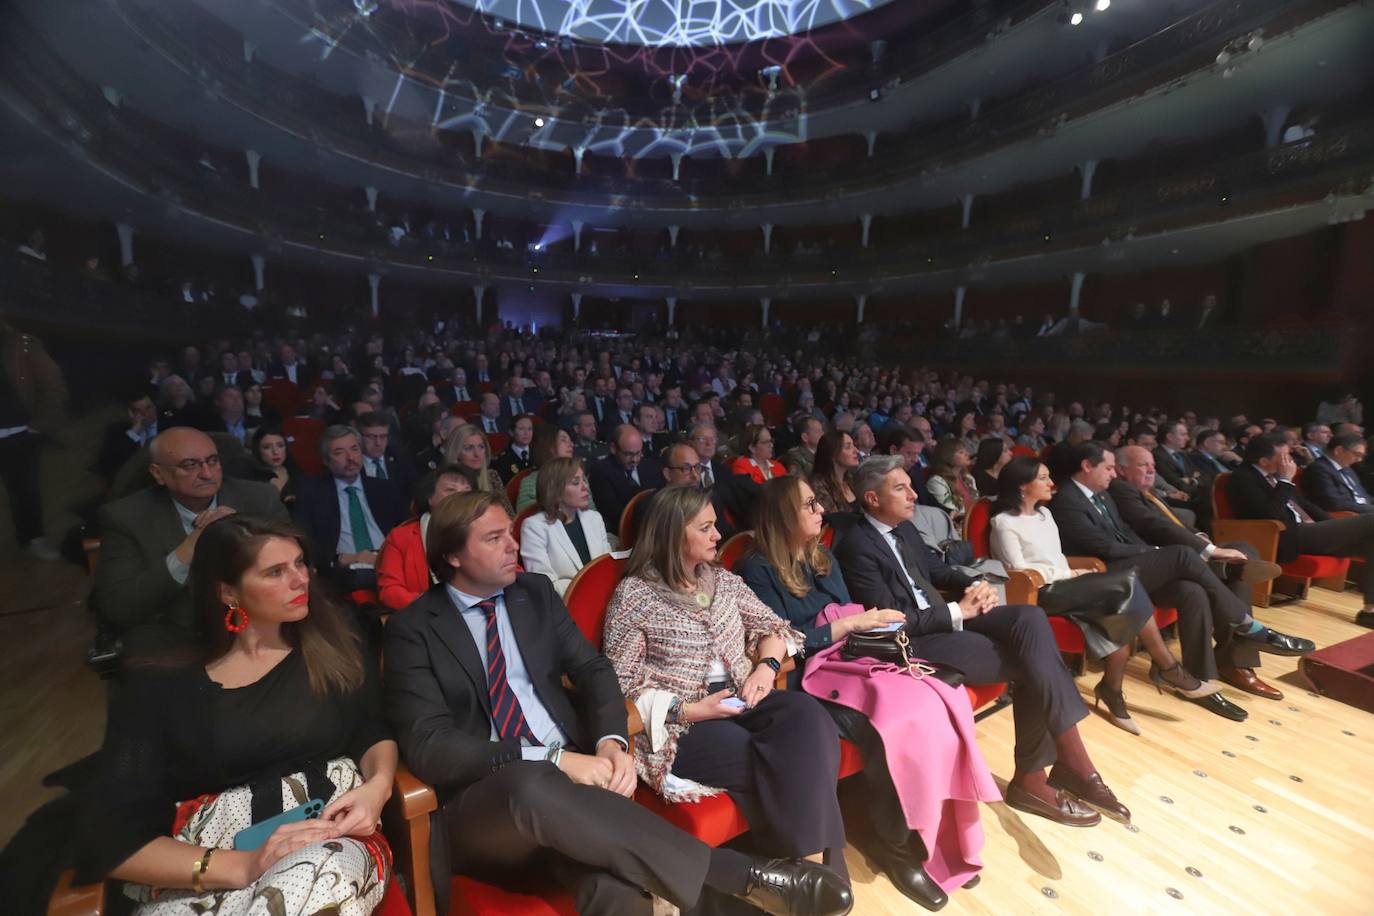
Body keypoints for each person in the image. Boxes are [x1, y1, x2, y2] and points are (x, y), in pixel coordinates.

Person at [383, 492, 852, 916]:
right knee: (529, 782)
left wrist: (609, 742)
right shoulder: (413, 629)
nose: (513, 544)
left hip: (578, 791)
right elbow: (431, 747)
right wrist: (555, 758)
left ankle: (731, 901)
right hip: (489, 806)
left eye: (510, 532)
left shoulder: (534, 594)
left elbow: (593, 671)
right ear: (452, 555)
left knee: (618, 891)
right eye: (494, 538)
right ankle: (736, 877)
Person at [76, 513, 397, 914]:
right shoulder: (159, 684)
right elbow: (111, 837)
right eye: (275, 572)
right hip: (213, 857)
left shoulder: (334, 641)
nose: (300, 580)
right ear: (229, 593)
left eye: (300, 563)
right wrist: (243, 865)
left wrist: (379, 786)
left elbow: (370, 728)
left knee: (304, 885)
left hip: (325, 838)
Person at [738, 477, 998, 909]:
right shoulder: (756, 569)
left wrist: (863, 624)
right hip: (811, 673)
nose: (821, 509)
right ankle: (893, 847)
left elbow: (850, 615)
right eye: (808, 504)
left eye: (817, 501)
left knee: (939, 697)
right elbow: (781, 640)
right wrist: (846, 624)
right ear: (782, 516)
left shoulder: (821, 557)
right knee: (892, 724)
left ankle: (937, 831)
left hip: (859, 656)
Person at [835, 456, 1125, 826]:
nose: (913, 494)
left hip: (944, 621)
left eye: (911, 484)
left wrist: (971, 584)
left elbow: (935, 569)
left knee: (1030, 618)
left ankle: (1061, 769)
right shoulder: (857, 545)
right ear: (873, 499)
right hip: (912, 644)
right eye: (900, 488)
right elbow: (893, 620)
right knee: (1031, 660)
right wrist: (959, 610)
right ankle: (1049, 775)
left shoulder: (904, 530)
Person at [603, 486, 853, 888]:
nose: (719, 535)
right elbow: (620, 684)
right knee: (774, 759)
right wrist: (689, 711)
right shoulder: (634, 596)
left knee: (810, 718)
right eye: (705, 528)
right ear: (672, 535)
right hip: (686, 723)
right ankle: (823, 870)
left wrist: (766, 668)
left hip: (745, 696)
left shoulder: (721, 579)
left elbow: (774, 628)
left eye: (715, 525)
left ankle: (805, 877)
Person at [1049, 441, 1308, 720]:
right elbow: (1103, 547)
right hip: (1103, 576)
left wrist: (1158, 556)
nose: (1113, 475)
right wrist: (1158, 554)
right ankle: (1247, 624)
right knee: (1184, 556)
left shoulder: (1099, 495)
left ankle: (1199, 678)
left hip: (1130, 565)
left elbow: (1124, 532)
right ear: (1087, 466)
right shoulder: (1067, 501)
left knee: (1191, 590)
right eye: (1109, 468)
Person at [990, 458, 1211, 735]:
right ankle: (1166, 666)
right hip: (1039, 593)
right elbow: (1018, 571)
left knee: (1119, 614)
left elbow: (1056, 557)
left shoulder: (1045, 515)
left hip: (1067, 584)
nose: (1051, 483)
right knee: (1128, 583)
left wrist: (1072, 571)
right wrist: (1071, 574)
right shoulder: (1004, 522)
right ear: (1023, 485)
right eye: (1043, 478)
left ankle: (1112, 690)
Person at [1110, 447, 1300, 699]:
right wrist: (1208, 549)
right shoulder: (1120, 490)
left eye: (1153, 464)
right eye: (1143, 464)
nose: (1152, 470)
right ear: (1121, 470)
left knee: (1243, 552)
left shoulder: (1148, 493)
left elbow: (1174, 523)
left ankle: (1234, 653)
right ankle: (1234, 662)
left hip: (1180, 556)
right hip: (1159, 563)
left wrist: (1199, 538)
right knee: (1221, 576)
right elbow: (1152, 526)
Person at [94, 428, 287, 654]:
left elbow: (298, 566)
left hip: (262, 624)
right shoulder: (125, 518)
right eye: (190, 465)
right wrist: (188, 549)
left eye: (213, 461)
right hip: (179, 639)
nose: (207, 473)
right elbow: (119, 606)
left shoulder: (260, 497)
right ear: (158, 473)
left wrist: (244, 534)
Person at [1228, 433, 1374, 629]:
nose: (1290, 462)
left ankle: (1369, 611)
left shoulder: (1273, 477)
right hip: (1288, 535)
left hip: (1311, 530)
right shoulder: (1242, 478)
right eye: (1284, 457)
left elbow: (1307, 505)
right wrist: (1286, 481)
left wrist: (1335, 526)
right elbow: (1269, 514)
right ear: (1264, 461)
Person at [292, 425, 408, 591]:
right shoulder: (311, 494)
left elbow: (407, 529)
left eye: (355, 449)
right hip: (345, 568)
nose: (350, 457)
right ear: (326, 460)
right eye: (339, 453)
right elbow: (304, 539)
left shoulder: (386, 489)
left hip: (388, 560)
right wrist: (344, 558)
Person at [376, 466, 471, 611]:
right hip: (428, 618)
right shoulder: (401, 537)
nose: (460, 497)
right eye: (451, 490)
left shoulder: (487, 529)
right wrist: (434, 608)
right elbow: (390, 591)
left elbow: (511, 572)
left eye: (466, 491)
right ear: (430, 498)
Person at [519, 457, 610, 595]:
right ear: (555, 490)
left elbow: (607, 567)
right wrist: (588, 588)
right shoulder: (534, 527)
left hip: (604, 596)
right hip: (567, 606)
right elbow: (545, 585)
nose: (585, 487)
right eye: (575, 482)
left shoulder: (594, 518)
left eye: (583, 480)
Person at [587, 425, 665, 533]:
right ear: (613, 448)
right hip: (623, 531)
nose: (635, 459)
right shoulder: (601, 471)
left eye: (638, 453)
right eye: (628, 454)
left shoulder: (652, 466)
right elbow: (613, 513)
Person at [441, 423, 512, 511]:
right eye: (468, 448)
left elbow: (508, 515)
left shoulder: (492, 476)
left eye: (481, 447)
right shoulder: (447, 482)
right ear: (456, 453)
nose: (477, 454)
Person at [1301, 431, 1374, 514]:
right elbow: (1333, 503)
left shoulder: (1349, 469)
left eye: (1362, 456)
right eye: (1357, 454)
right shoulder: (1319, 469)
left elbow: (1363, 496)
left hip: (1364, 512)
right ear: (1338, 450)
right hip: (1346, 517)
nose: (1359, 460)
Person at [516, 423, 580, 511]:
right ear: (549, 445)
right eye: (564, 440)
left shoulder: (578, 475)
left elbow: (591, 510)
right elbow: (525, 516)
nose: (571, 444)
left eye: (570, 440)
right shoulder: (531, 482)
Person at [357, 411, 416, 499]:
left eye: (383, 436)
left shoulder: (400, 459)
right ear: (359, 437)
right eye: (371, 437)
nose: (378, 443)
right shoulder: (354, 464)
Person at [926, 439, 979, 527]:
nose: (967, 454)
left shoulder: (968, 477)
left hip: (973, 521)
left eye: (965, 451)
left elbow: (976, 502)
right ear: (947, 456)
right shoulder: (936, 482)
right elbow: (951, 511)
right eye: (961, 452)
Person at [810, 430, 861, 516]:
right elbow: (834, 519)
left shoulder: (851, 479)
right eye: (848, 447)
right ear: (833, 453)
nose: (857, 451)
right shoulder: (818, 485)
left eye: (854, 445)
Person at [251, 425, 300, 505]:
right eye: (267, 447)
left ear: (286, 448)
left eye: (280, 445)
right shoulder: (251, 479)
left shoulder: (297, 475)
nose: (275, 452)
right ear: (258, 450)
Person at [494, 414, 536, 484]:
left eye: (529, 429)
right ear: (511, 432)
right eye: (521, 429)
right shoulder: (502, 459)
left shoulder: (539, 453)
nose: (526, 433)